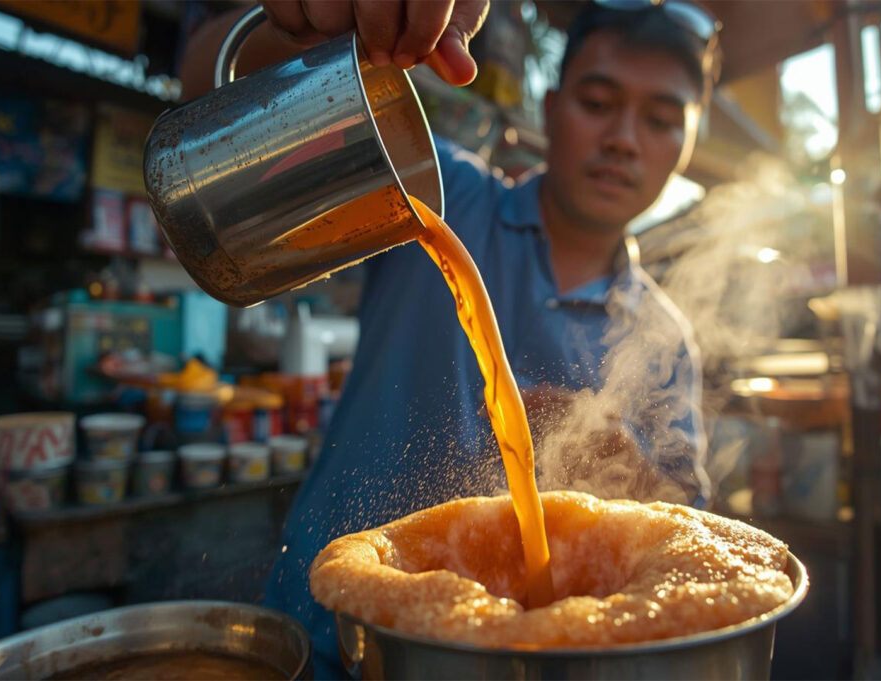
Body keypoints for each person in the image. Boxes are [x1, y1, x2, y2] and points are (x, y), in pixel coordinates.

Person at [182, 1, 719, 675]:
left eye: (662, 119)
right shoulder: (442, 197)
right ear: (549, 109)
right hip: (324, 638)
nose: (624, 138)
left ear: (689, 141)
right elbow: (205, 88)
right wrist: (308, 29)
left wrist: (619, 461)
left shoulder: (664, 339)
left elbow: (693, 543)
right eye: (598, 101)